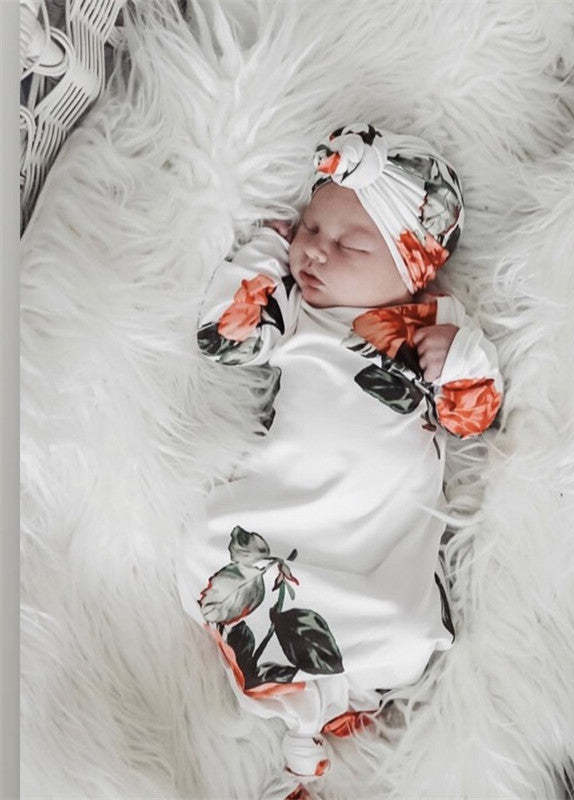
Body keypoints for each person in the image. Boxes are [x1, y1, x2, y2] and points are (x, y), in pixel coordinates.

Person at [177, 122, 504, 798]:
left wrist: (459, 358)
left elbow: (473, 415)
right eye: (310, 229)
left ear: (413, 269)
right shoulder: (299, 312)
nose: (317, 251)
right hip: (289, 507)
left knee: (404, 631)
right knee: (206, 547)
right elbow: (223, 336)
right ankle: (292, 702)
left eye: (350, 245)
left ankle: (334, 705)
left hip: (377, 536)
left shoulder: (433, 323)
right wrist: (268, 251)